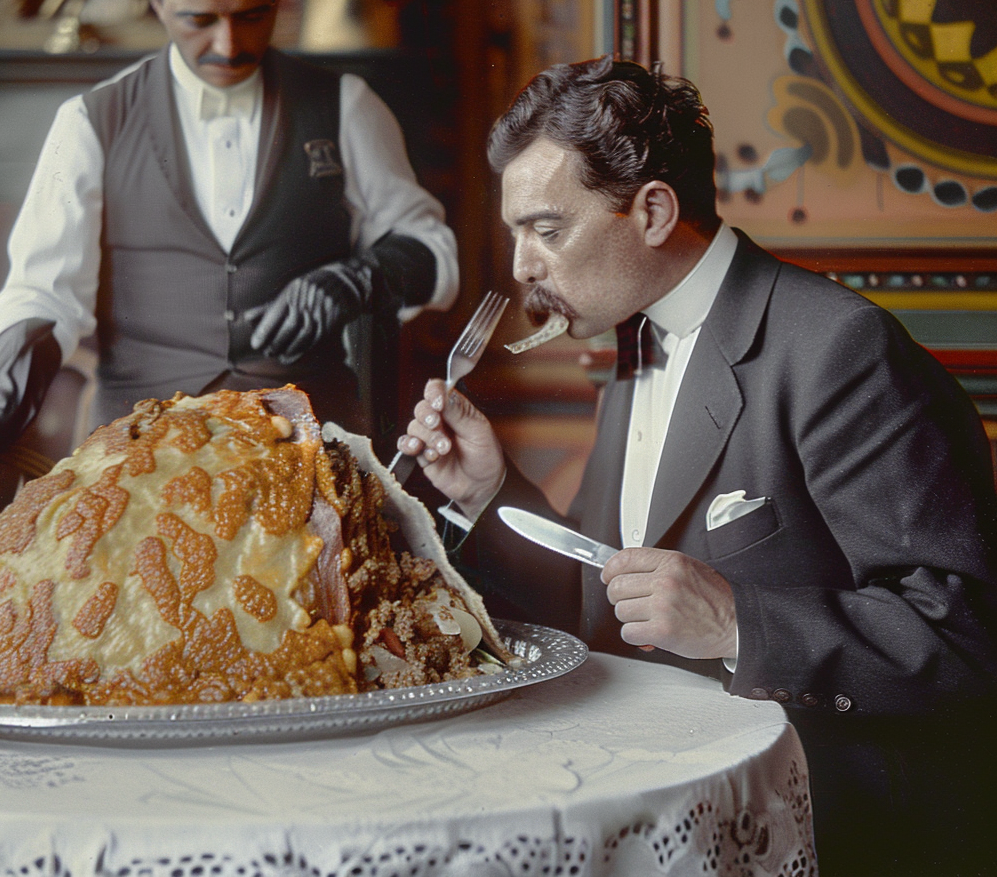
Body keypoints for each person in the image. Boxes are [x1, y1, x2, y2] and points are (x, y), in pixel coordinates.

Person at [397, 55, 997, 875]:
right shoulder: (632, 337)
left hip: (832, 832)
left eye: (546, 228)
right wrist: (491, 490)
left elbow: (964, 638)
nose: (523, 267)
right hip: (655, 818)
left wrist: (738, 624)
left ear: (650, 210)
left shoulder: (838, 349)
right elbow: (607, 598)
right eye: (516, 234)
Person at [0, 0, 457, 479]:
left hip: (309, 454)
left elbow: (435, 253)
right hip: (140, 458)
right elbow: (42, 294)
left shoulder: (345, 104)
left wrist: (356, 278)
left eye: (252, 16)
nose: (229, 46)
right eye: (200, 19)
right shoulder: (88, 121)